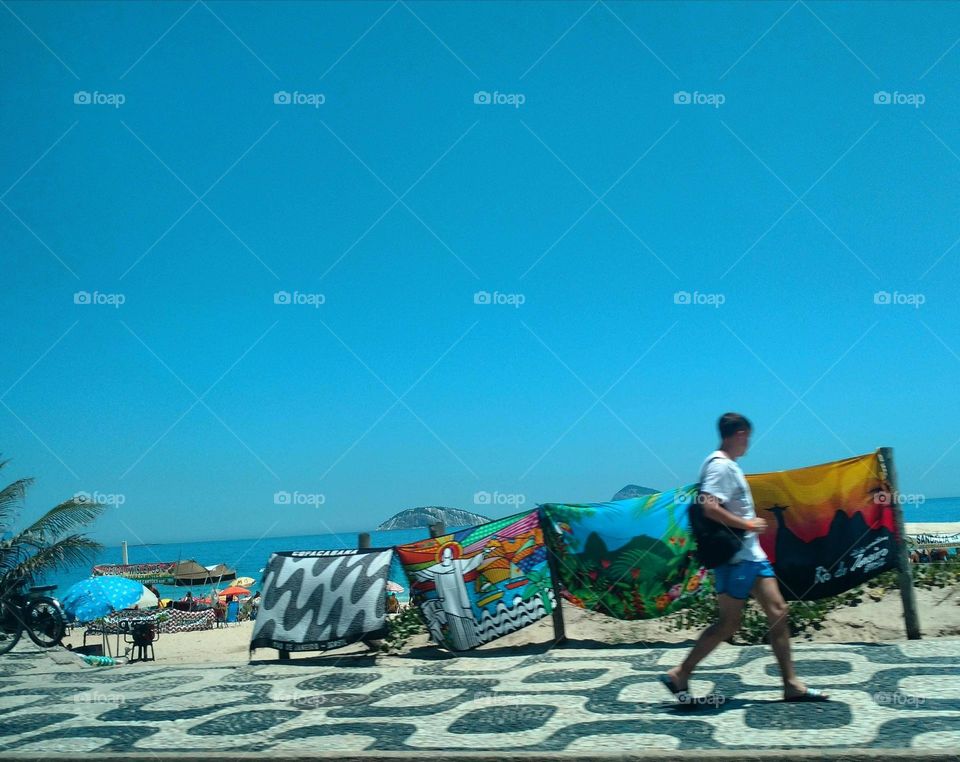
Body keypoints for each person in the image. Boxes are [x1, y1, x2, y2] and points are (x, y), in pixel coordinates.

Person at [661, 413, 829, 703]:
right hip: (738, 558)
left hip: (750, 556)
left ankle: (791, 683)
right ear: (738, 433)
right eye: (748, 436)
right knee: (729, 624)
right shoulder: (720, 466)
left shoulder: (726, 466)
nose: (749, 442)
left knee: (777, 612)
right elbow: (709, 507)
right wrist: (748, 524)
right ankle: (681, 673)